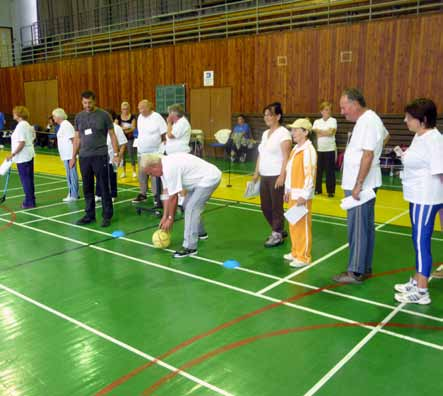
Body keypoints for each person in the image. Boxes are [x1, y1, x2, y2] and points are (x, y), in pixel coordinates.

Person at [333, 88, 387, 284]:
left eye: (344, 107)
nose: (342, 111)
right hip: (364, 183)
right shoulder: (367, 121)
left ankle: (355, 271)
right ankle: (363, 267)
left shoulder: (369, 121)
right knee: (364, 227)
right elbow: (384, 137)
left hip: (362, 186)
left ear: (355, 104)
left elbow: (368, 154)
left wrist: (358, 184)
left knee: (357, 228)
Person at [393, 98, 443, 304]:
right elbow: (416, 161)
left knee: (422, 242)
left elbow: (441, 171)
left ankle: (422, 291)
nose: (405, 120)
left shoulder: (434, 140)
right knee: (417, 239)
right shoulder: (419, 137)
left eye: (409, 118)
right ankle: (417, 279)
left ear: (422, 120)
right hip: (416, 195)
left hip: (426, 197)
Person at [140, 153, 221, 258]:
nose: (151, 175)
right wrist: (164, 216)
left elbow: (174, 197)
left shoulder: (169, 168)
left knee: (191, 208)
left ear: (155, 166)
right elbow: (166, 193)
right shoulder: (162, 167)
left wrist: (170, 218)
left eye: (150, 172)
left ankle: (190, 247)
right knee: (187, 204)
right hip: (198, 181)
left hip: (209, 178)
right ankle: (201, 233)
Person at [70, 90, 120, 227]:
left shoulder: (104, 116)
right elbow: (77, 138)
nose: (87, 105)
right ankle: (89, 215)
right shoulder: (78, 117)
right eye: (85, 103)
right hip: (84, 157)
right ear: (82, 102)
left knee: (104, 186)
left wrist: (116, 154)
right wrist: (73, 156)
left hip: (100, 156)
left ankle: (107, 215)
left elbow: (112, 135)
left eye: (90, 102)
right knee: (87, 187)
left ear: (95, 101)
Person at [252, 102, 292, 247]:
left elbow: (286, 156)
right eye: (265, 115)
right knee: (265, 206)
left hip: (276, 175)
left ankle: (277, 233)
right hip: (265, 175)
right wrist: (256, 172)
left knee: (276, 206)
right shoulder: (265, 134)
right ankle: (279, 229)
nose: (267, 117)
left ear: (278, 116)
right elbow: (261, 154)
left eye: (270, 114)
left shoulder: (284, 133)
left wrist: (282, 176)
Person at [284, 118, 317, 268]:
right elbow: (289, 172)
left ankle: (304, 256)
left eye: (296, 130)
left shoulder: (309, 151)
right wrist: (287, 190)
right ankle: (295, 251)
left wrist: (305, 194)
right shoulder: (295, 149)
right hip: (293, 194)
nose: (293, 133)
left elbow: (310, 174)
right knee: (293, 223)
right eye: (292, 130)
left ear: (305, 132)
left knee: (302, 225)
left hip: (302, 195)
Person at [132, 99, 167, 204]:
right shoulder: (140, 118)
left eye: (142, 108)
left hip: (155, 151)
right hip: (142, 151)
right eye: (139, 109)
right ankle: (143, 194)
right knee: (142, 173)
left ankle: (157, 196)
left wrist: (163, 148)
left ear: (149, 107)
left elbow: (164, 133)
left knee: (154, 174)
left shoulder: (157, 117)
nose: (140, 111)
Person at [6, 106, 36, 208]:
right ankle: (31, 199)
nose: (13, 114)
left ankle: (29, 202)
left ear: (18, 114)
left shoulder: (21, 126)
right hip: (27, 155)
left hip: (23, 157)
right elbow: (32, 138)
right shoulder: (26, 125)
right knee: (29, 179)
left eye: (14, 113)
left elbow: (22, 142)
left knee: (26, 179)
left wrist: (12, 154)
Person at [96, 111, 127, 202]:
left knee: (112, 176)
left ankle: (112, 194)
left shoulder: (117, 128)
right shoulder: (100, 127)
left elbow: (123, 144)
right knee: (100, 175)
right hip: (100, 157)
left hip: (114, 158)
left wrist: (118, 156)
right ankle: (98, 194)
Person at [52, 108, 79, 202]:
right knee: (70, 175)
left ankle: (73, 195)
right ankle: (73, 193)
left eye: (54, 116)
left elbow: (73, 140)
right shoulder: (63, 125)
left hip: (69, 155)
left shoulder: (66, 125)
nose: (53, 118)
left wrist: (73, 156)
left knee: (72, 175)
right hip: (66, 155)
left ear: (58, 116)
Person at [312, 101, 337, 197]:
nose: (328, 111)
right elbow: (315, 133)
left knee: (330, 171)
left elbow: (331, 133)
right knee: (318, 171)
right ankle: (318, 189)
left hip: (330, 149)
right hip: (319, 150)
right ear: (321, 111)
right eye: (326, 109)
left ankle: (331, 191)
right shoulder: (317, 122)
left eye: (330, 110)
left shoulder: (333, 120)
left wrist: (320, 132)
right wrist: (325, 132)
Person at [115, 101, 137, 178]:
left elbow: (133, 128)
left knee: (131, 154)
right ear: (121, 109)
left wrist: (123, 130)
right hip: (121, 139)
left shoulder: (132, 117)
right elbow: (116, 126)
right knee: (122, 155)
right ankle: (123, 172)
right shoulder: (118, 117)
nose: (125, 110)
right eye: (124, 109)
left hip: (130, 139)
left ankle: (134, 171)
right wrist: (126, 128)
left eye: (127, 109)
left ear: (129, 109)